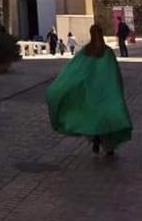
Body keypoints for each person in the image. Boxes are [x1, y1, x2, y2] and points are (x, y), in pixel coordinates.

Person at [47, 23, 132, 157]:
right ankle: (108, 147)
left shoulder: (86, 51)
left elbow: (74, 71)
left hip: (90, 94)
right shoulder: (108, 52)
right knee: (105, 119)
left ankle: (96, 138)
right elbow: (114, 74)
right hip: (105, 94)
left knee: (93, 117)